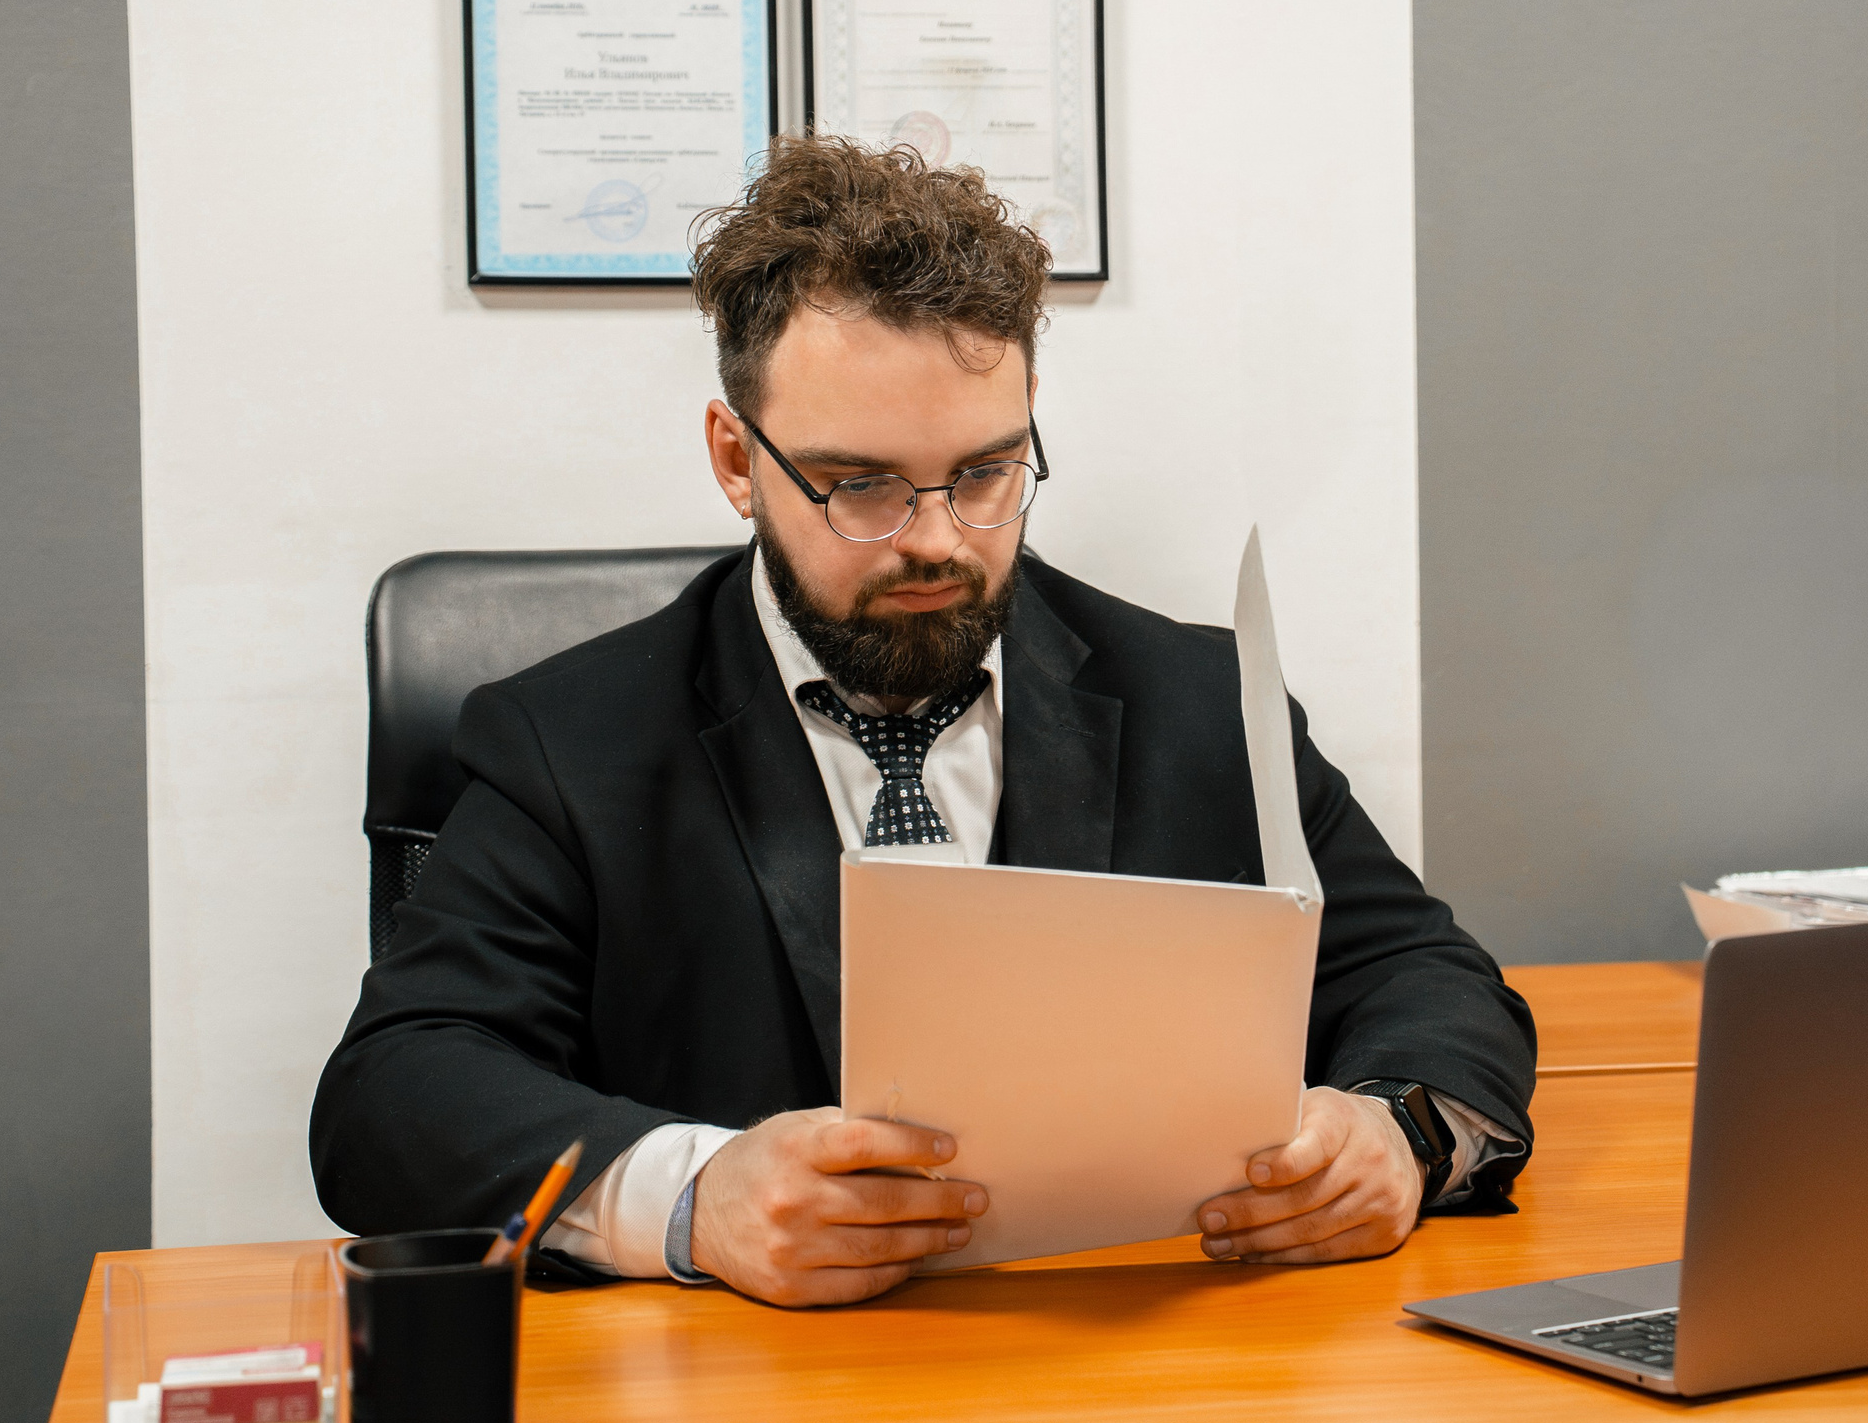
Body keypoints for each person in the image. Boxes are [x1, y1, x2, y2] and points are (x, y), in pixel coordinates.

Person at [311, 136, 1536, 1308]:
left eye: (988, 473)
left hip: (1132, 1362)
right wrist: (696, 1200)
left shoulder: (1197, 702)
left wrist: (1400, 1133)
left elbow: (1428, 977)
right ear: (738, 459)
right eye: (863, 487)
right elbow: (395, 1093)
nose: (940, 538)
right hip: (758, 1381)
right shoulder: (566, 742)